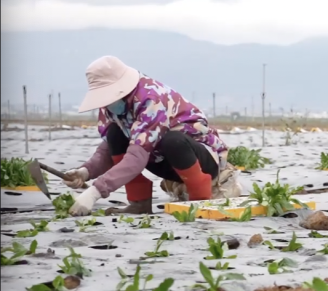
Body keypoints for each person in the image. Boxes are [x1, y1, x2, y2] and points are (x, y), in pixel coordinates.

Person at [64, 55, 238, 216]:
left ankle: (199, 201)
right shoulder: (110, 107)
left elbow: (137, 156)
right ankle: (139, 202)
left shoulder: (151, 98)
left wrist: (95, 191)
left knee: (173, 141)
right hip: (163, 161)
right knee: (115, 133)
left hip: (201, 159)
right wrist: (86, 171)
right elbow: (109, 148)